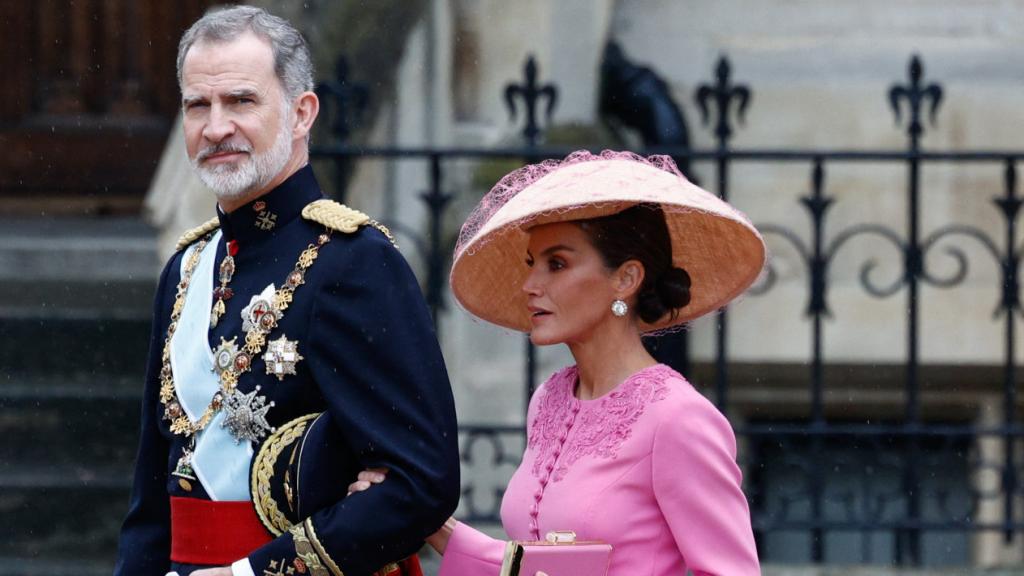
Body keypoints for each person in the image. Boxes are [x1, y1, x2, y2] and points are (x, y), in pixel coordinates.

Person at [113, 6, 460, 576]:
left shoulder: (354, 262)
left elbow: (420, 484)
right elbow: (153, 498)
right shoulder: (186, 268)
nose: (216, 126)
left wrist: (252, 573)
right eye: (199, 105)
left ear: (302, 114)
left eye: (241, 101)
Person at [353, 150, 765, 575]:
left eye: (558, 264)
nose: (530, 285)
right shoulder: (549, 400)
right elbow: (541, 565)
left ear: (625, 279)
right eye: (533, 264)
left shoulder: (679, 419)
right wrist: (430, 524)